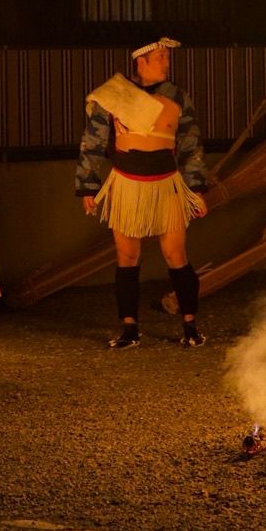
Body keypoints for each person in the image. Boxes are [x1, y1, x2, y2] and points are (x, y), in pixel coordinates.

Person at [75, 36, 213, 348]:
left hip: (167, 182)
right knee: (127, 256)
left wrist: (196, 189)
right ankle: (129, 328)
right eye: (161, 56)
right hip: (126, 182)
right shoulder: (114, 96)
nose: (167, 62)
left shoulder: (177, 96)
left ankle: (190, 325)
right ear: (141, 61)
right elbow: (93, 142)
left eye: (166, 56)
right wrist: (88, 185)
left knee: (176, 254)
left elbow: (191, 145)